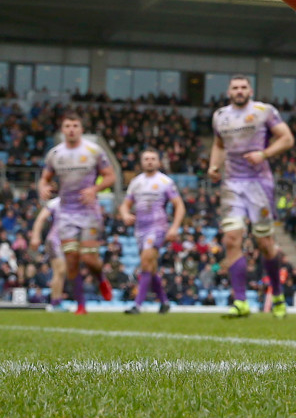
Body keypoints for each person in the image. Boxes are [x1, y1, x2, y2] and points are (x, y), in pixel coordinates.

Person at [208, 75, 295, 318]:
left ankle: (277, 294)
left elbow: (287, 138)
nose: (239, 91)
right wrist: (214, 167)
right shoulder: (220, 116)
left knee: (265, 244)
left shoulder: (263, 111)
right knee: (231, 239)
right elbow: (218, 145)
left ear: (251, 90)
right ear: (228, 92)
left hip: (259, 184)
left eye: (243, 87)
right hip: (232, 184)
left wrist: (264, 154)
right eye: (235, 87)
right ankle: (241, 302)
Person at [38, 112, 116, 314]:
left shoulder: (93, 151)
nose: (71, 129)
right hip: (65, 213)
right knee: (71, 259)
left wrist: (94, 190)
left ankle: (101, 278)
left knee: (89, 259)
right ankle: (81, 305)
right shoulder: (55, 154)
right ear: (62, 130)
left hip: (89, 212)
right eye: (67, 126)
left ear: (81, 129)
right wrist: (43, 188)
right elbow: (44, 178)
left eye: (75, 125)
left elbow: (110, 176)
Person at [118, 148, 184, 314]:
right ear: (141, 162)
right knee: (150, 266)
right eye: (146, 159)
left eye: (153, 159)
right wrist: (125, 214)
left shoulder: (165, 182)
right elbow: (125, 204)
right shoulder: (136, 182)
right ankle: (164, 302)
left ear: (158, 162)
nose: (149, 161)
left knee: (146, 261)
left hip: (157, 226)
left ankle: (137, 305)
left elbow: (179, 205)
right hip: (140, 228)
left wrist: (174, 227)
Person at [26, 197, 66, 309]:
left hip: (66, 240)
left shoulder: (75, 202)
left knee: (61, 272)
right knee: (60, 270)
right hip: (54, 240)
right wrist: (35, 236)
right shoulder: (55, 202)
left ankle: (57, 300)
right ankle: (55, 301)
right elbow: (40, 219)